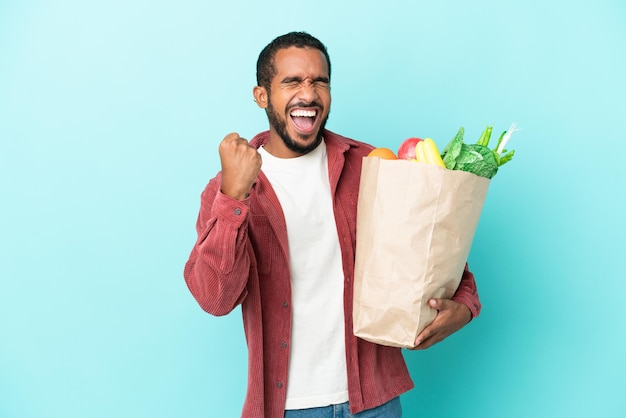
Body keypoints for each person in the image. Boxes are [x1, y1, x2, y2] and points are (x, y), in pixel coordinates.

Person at [183, 31, 481, 418]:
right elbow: (216, 298)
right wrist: (234, 197)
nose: (308, 94)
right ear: (261, 96)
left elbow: (433, 251)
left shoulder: (371, 166)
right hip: (287, 408)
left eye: (319, 81)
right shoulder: (227, 188)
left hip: (373, 400)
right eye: (292, 81)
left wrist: (464, 305)